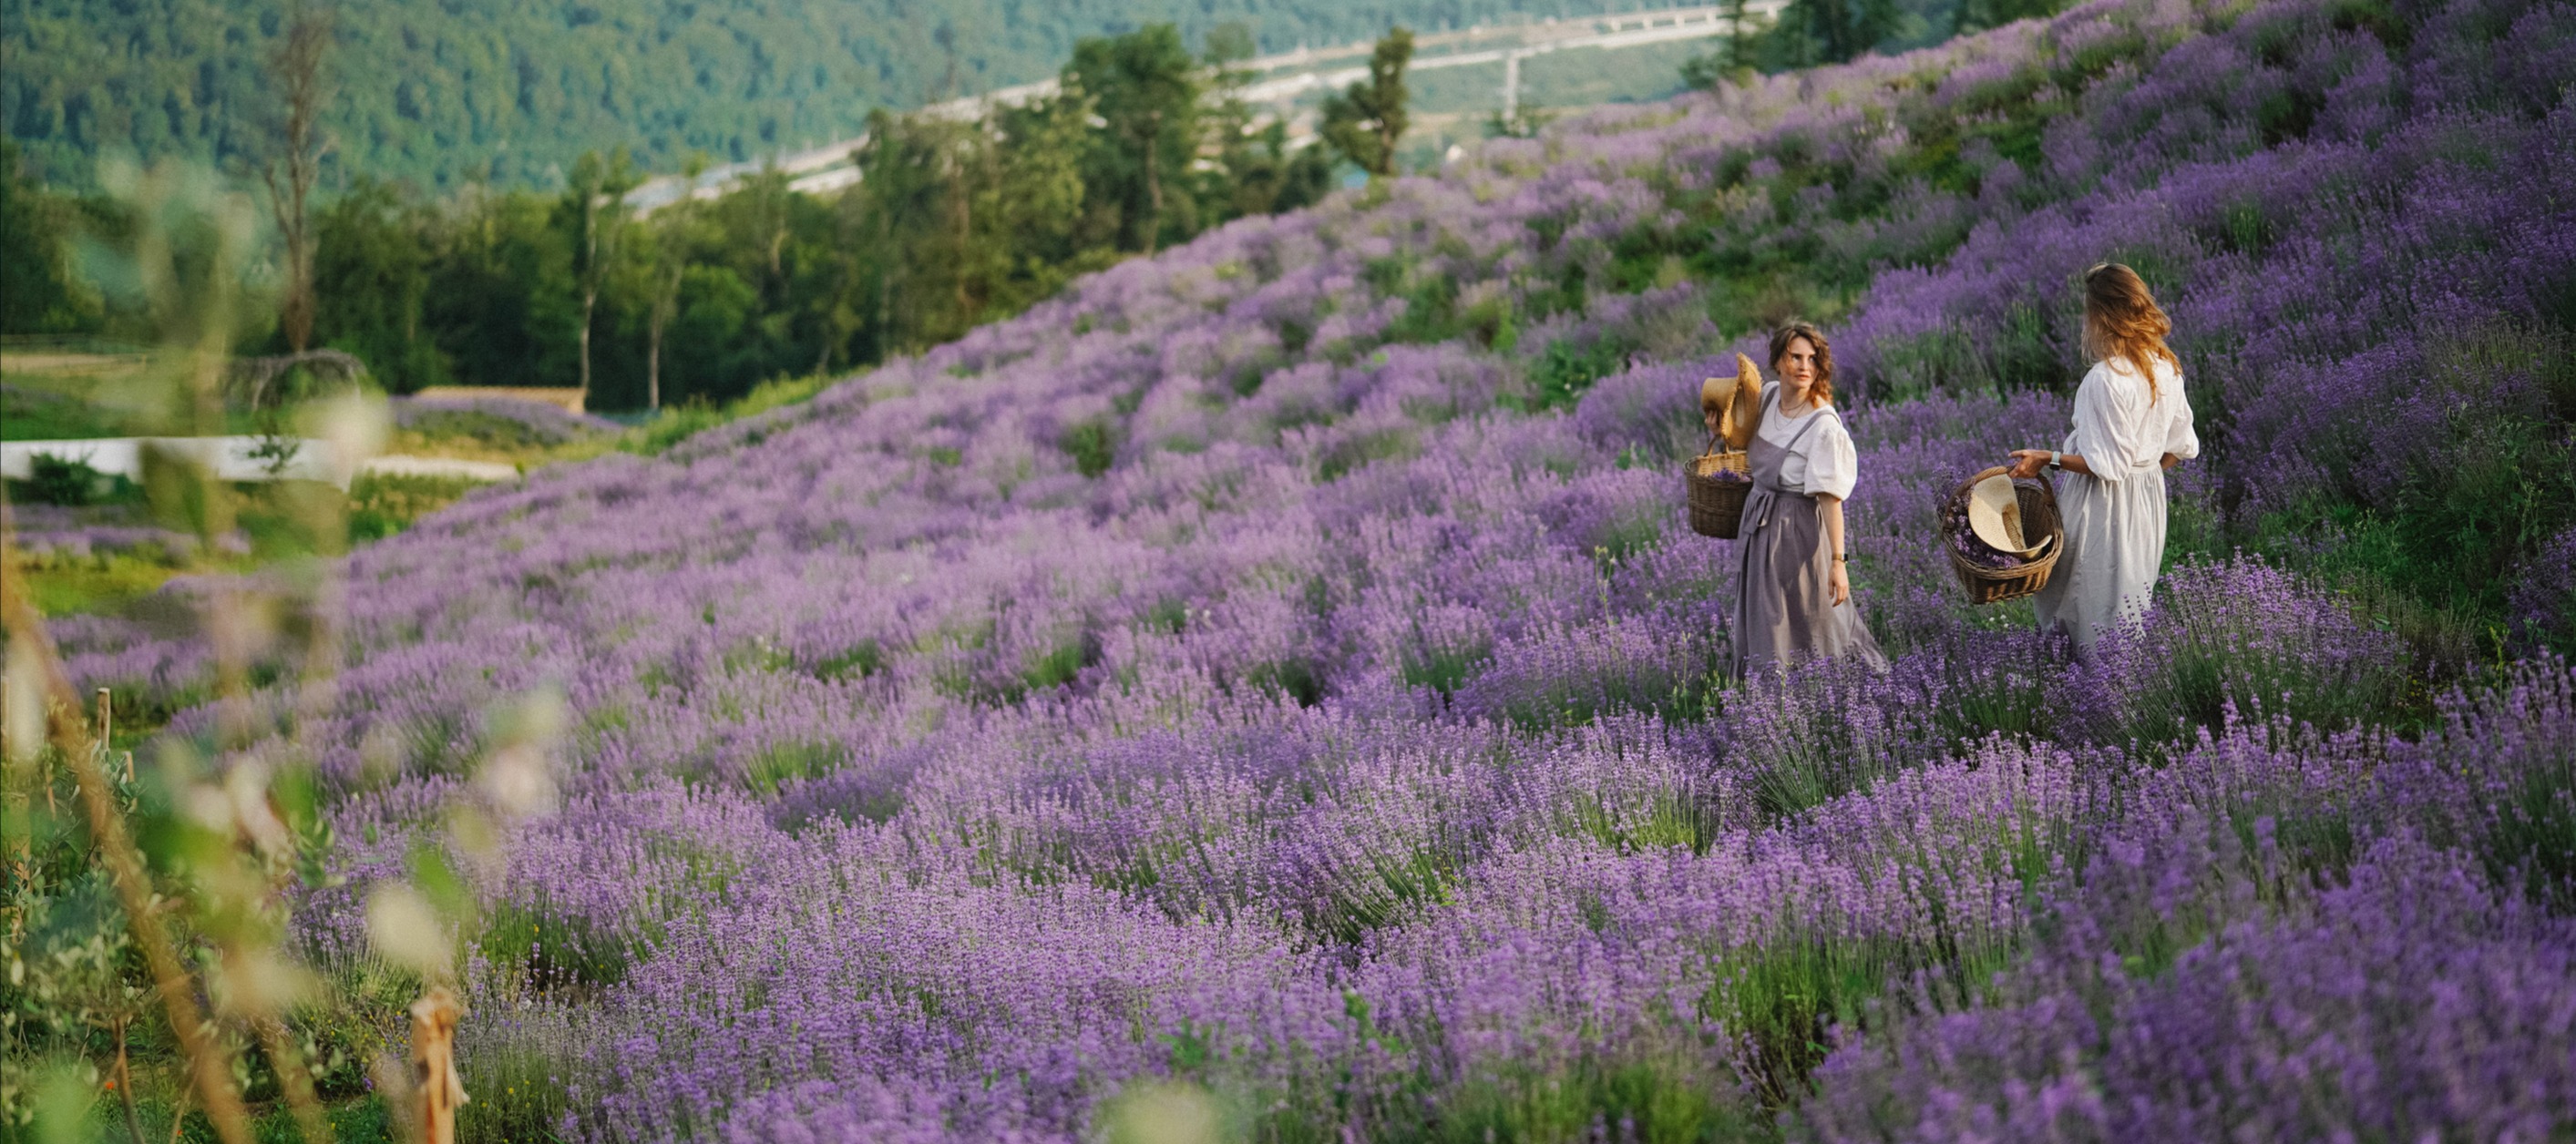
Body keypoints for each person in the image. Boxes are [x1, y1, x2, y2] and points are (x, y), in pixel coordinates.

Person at [2007, 262, 2199, 654]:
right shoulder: (2167, 368)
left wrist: (2048, 457)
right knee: (2126, 603)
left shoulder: (2106, 378)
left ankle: (2081, 690)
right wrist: (2143, 477)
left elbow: (2105, 467)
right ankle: (2116, 692)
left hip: (2098, 505)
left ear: (2101, 316)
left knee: (2079, 600)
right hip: (2145, 504)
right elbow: (2180, 448)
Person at [1728, 322, 1886, 678]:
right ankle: (1767, 701)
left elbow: (1831, 500)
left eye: (1812, 359)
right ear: (1778, 362)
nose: (1804, 366)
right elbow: (1737, 441)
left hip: (1796, 533)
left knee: (1804, 620)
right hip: (1758, 528)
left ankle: (1835, 691)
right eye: (1795, 357)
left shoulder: (1823, 425)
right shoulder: (1766, 398)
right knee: (1762, 619)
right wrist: (1717, 425)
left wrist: (1838, 561)